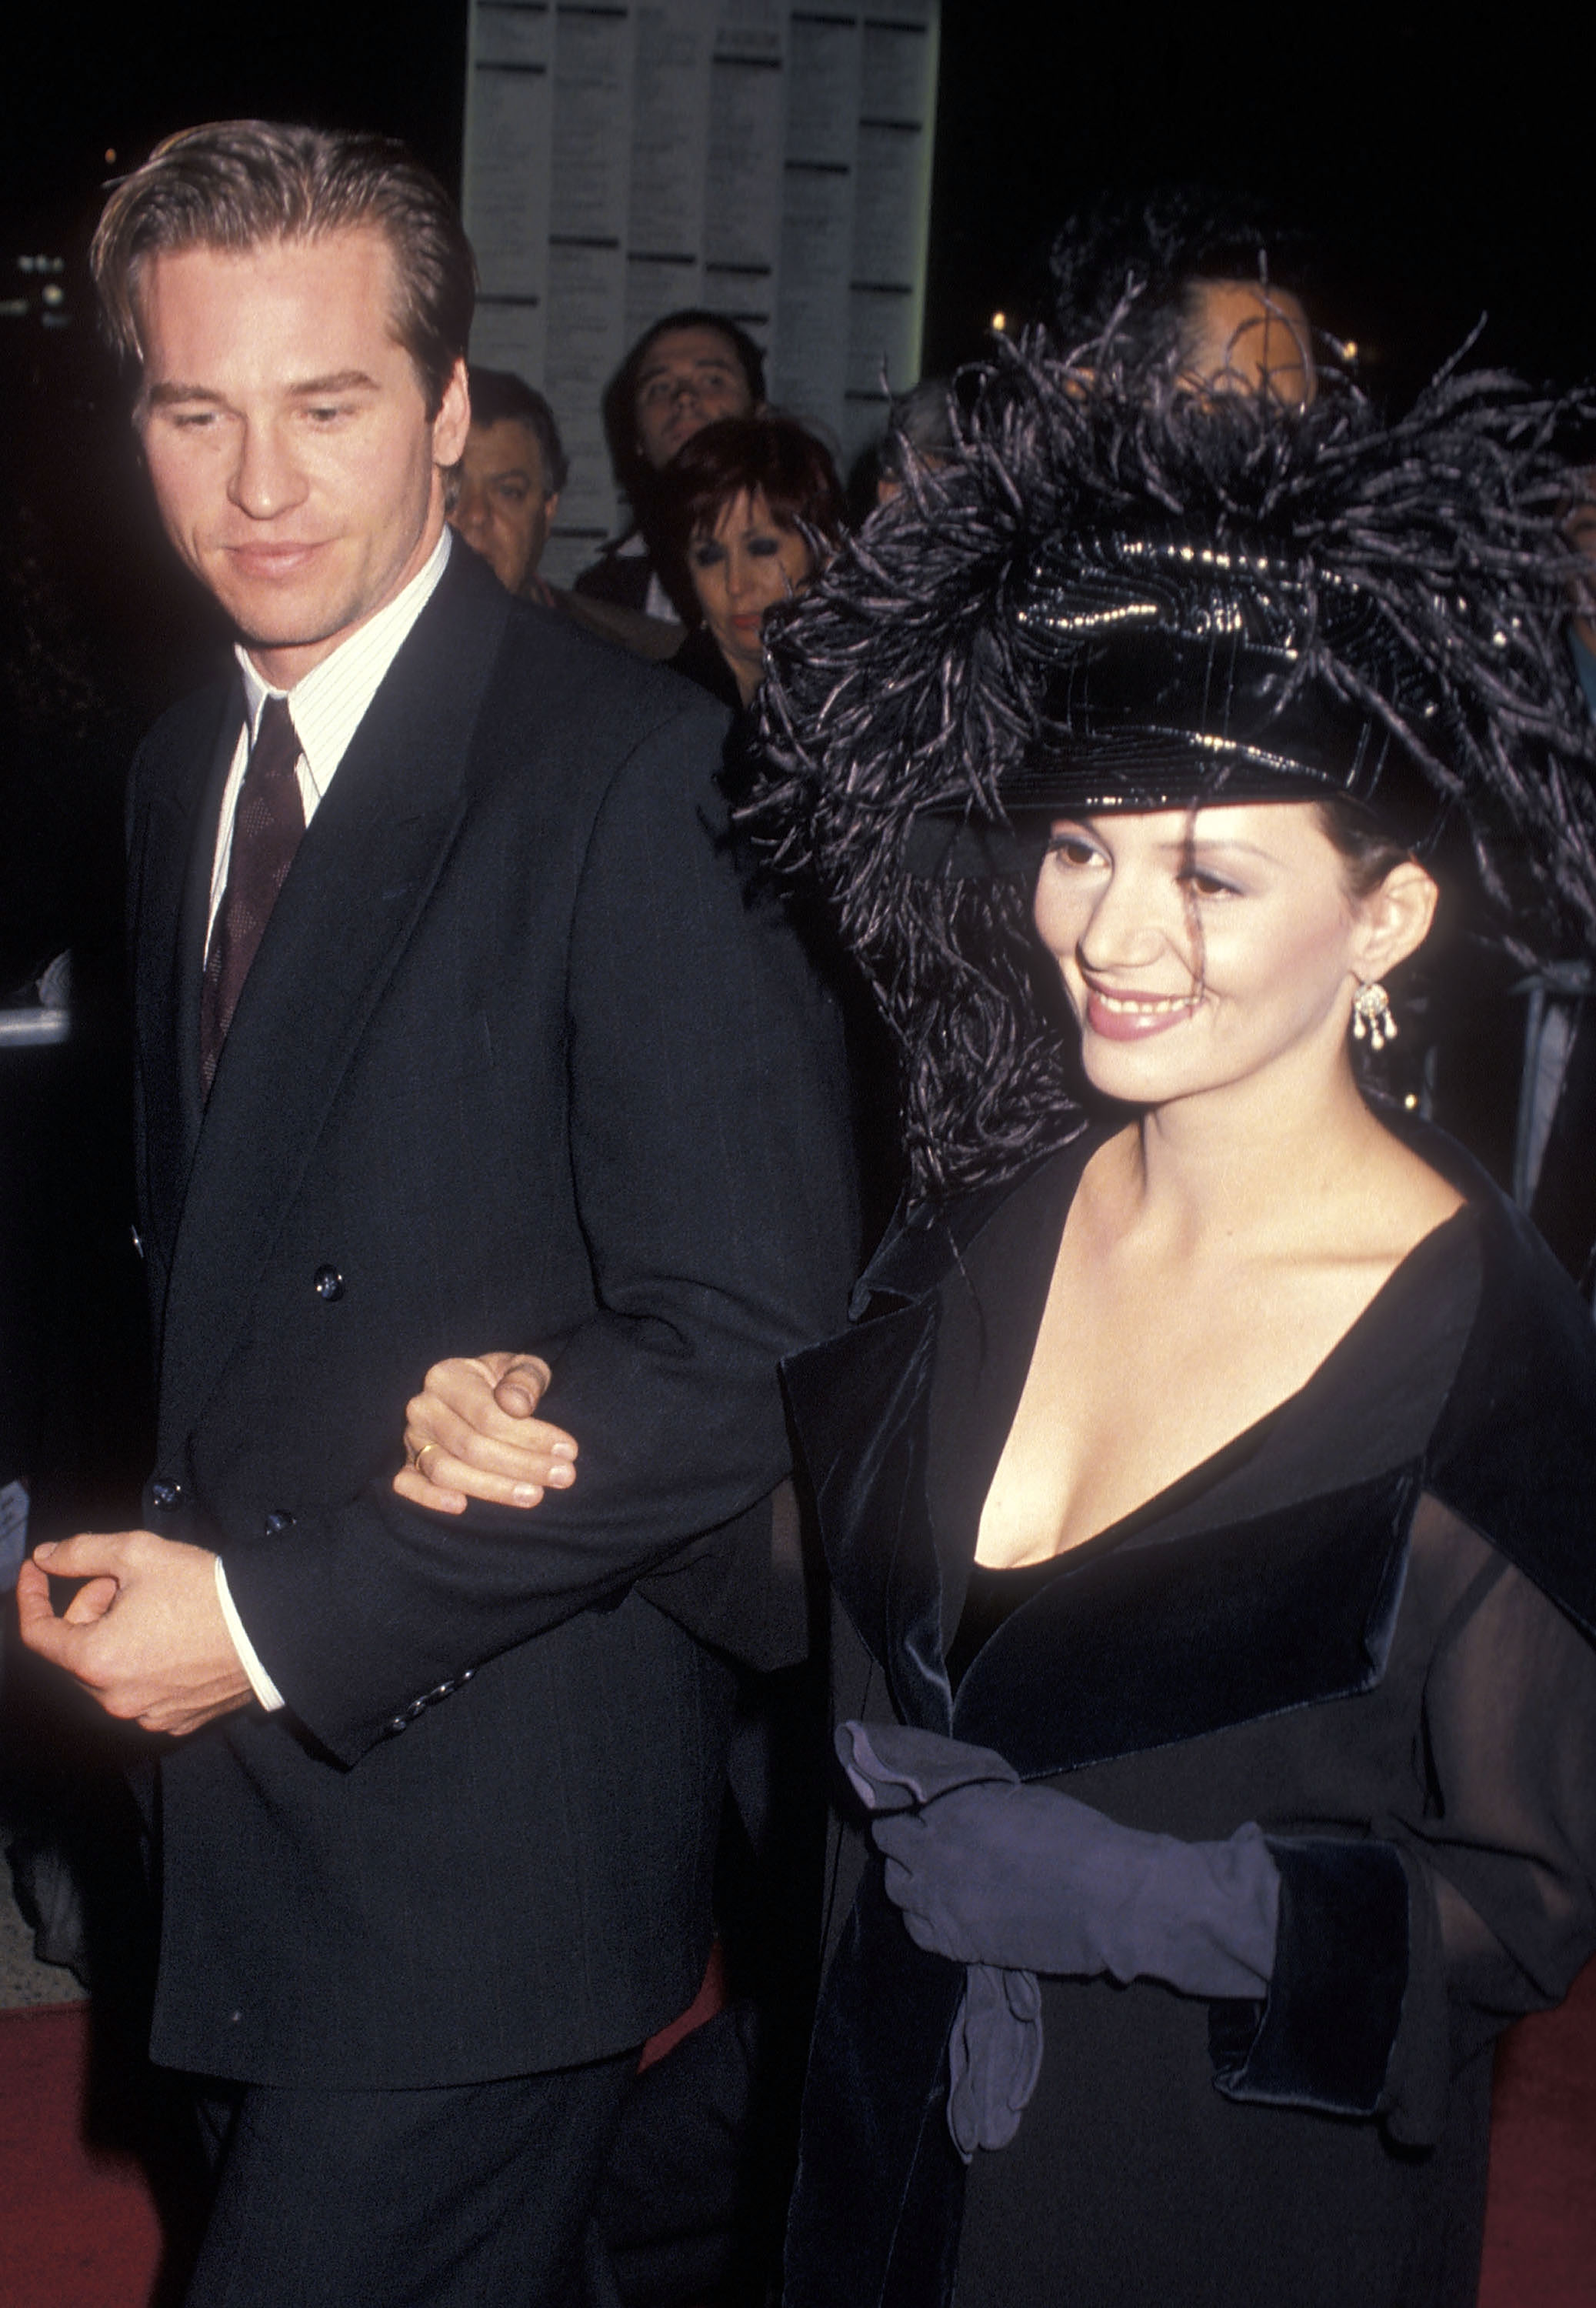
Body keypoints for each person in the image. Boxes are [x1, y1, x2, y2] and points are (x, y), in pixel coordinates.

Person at [15, 119, 857, 2308]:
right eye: (199, 414)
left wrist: (275, 1628)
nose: (263, 484)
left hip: (479, 1833)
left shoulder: (634, 772)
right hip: (230, 1829)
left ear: (449, 410)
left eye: (331, 406)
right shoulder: (186, 766)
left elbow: (749, 1348)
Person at [738, 329, 1596, 2306]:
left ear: (1384, 919)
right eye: (1079, 846)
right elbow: (828, 1597)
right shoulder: (976, 1225)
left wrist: (1180, 1902)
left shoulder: (1487, 1358)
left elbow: (1531, 1899)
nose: (1109, 935)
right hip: (879, 2168)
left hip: (1213, 2204)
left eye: (1208, 873)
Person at [575, 310, 767, 623]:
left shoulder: (817, 569)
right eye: (660, 387)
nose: (685, 398)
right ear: (637, 437)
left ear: (760, 417)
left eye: (713, 381)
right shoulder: (601, 595)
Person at [658, 414, 846, 712]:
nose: (736, 584)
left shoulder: (885, 699)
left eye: (762, 549)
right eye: (710, 557)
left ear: (826, 553)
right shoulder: (654, 713)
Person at [448, 364, 567, 599]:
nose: (475, 515)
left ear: (547, 512)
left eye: (507, 492)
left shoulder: (595, 636)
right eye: (451, 488)